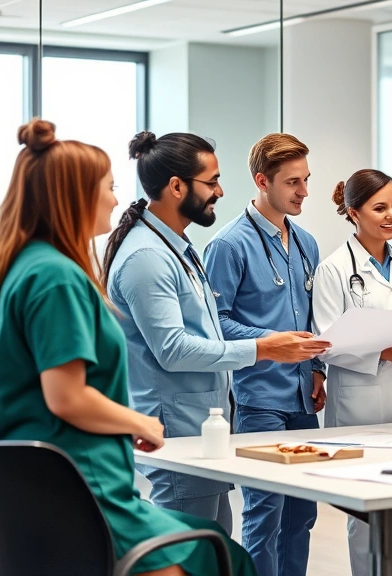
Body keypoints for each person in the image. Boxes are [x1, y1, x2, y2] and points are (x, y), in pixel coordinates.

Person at [0, 118, 257, 576]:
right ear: (76, 196)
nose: (114, 197)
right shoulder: (57, 278)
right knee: (225, 555)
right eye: (108, 186)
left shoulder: (19, 267)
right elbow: (65, 396)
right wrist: (137, 420)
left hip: (35, 491)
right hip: (82, 490)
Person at [102, 131, 327, 532]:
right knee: (193, 555)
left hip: (201, 428)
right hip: (177, 431)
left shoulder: (176, 248)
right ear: (176, 187)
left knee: (216, 550)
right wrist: (262, 348)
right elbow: (172, 349)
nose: (220, 191)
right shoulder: (147, 257)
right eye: (211, 181)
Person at [202, 133, 329, 576]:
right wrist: (273, 342)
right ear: (262, 181)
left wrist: (316, 369)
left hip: (301, 400)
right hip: (259, 400)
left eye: (306, 180)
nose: (304, 192)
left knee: (302, 515)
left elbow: (311, 316)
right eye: (293, 183)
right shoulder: (228, 245)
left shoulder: (307, 243)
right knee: (265, 514)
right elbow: (214, 323)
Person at [311, 168, 392, 576]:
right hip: (358, 405)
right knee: (366, 516)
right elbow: (327, 341)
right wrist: (381, 352)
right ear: (353, 212)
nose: (391, 215)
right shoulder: (333, 269)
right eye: (380, 207)